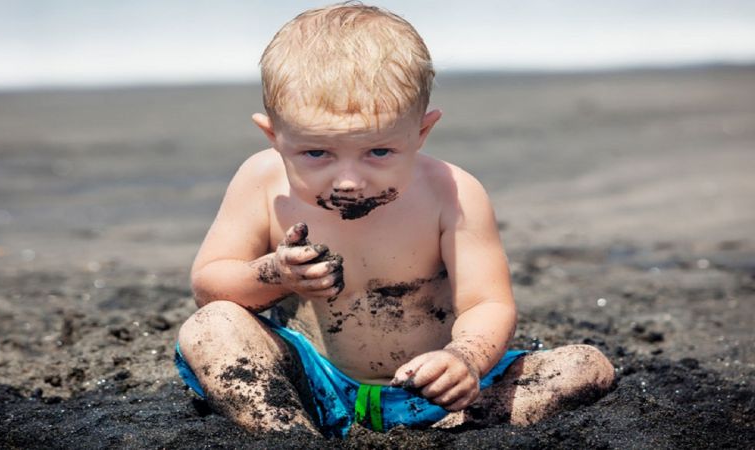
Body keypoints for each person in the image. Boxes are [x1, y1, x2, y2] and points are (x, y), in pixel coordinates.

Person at [175, 2, 614, 438]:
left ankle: (447, 432)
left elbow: (488, 303)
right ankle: (290, 435)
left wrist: (465, 359)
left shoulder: (452, 193)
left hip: (432, 392)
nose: (348, 180)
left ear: (422, 132)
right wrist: (275, 273)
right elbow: (210, 288)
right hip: (312, 381)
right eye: (316, 153)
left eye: (379, 152)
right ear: (274, 136)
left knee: (584, 366)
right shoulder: (262, 182)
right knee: (210, 330)